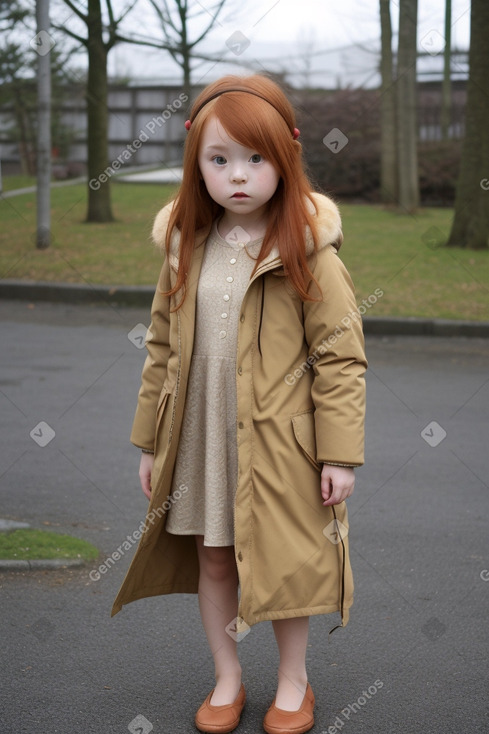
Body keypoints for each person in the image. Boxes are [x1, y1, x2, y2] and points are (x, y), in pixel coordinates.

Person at [112, 74, 367, 734]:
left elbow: (340, 359)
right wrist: (150, 441)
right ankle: (226, 677)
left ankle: (292, 684)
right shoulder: (182, 247)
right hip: (200, 436)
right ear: (196, 166)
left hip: (282, 442)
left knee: (281, 560)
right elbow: (162, 349)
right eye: (219, 159)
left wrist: (338, 454)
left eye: (256, 159)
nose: (239, 176)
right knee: (215, 555)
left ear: (284, 159)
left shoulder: (308, 251)